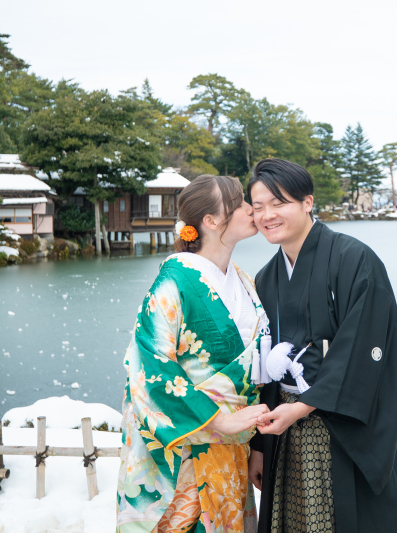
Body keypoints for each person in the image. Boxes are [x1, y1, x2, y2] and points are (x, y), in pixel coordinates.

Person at [247, 159, 397, 533]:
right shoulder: (267, 277)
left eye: (279, 203)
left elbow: (364, 348)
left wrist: (303, 407)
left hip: (340, 428)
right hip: (283, 428)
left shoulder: (354, 259)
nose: (267, 215)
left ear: (307, 202)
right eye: (258, 207)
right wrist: (259, 444)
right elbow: (264, 366)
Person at [117, 174, 270, 533]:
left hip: (233, 447)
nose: (253, 210)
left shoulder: (243, 280)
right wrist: (218, 420)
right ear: (212, 221)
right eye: (241, 203)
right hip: (190, 446)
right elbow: (147, 365)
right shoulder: (175, 282)